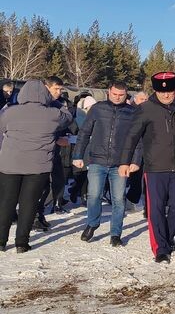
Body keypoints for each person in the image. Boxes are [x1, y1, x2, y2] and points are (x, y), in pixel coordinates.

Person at [118, 72, 175, 263]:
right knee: (156, 208)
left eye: (170, 91)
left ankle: (167, 238)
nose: (167, 95)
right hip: (155, 167)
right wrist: (124, 161)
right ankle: (161, 248)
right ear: (155, 90)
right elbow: (131, 137)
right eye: (162, 92)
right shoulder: (146, 109)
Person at [0, 80, 73, 252]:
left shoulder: (10, 112)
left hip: (10, 164)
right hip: (38, 167)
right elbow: (68, 118)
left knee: (6, 203)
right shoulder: (52, 114)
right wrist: (54, 101)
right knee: (29, 204)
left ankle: (1, 241)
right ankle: (21, 243)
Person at [72, 81, 139, 247]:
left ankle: (115, 233)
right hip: (97, 160)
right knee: (94, 195)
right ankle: (92, 223)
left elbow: (138, 140)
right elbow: (84, 133)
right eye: (114, 94)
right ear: (109, 92)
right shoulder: (98, 109)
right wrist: (78, 154)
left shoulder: (132, 112)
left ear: (126, 95)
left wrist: (135, 160)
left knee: (118, 199)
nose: (117, 97)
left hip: (120, 163)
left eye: (121, 95)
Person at [35, 76, 73, 227]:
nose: (59, 92)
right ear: (46, 87)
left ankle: (39, 212)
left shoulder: (56, 105)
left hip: (54, 152)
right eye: (56, 89)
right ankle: (35, 216)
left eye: (61, 89)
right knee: (40, 185)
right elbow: (40, 128)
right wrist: (56, 139)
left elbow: (62, 122)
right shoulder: (39, 105)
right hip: (40, 152)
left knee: (57, 182)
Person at [125, 91, 149, 212]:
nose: (144, 101)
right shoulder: (130, 111)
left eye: (146, 99)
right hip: (133, 149)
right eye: (142, 99)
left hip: (146, 148)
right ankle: (130, 199)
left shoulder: (148, 111)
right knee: (135, 177)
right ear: (135, 99)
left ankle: (141, 202)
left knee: (144, 178)